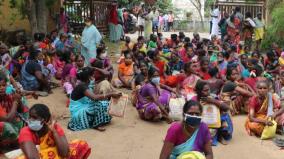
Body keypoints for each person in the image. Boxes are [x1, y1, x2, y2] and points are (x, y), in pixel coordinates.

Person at [18, 104, 91, 159]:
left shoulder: (54, 127)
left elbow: (65, 153)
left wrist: (54, 132)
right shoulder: (26, 131)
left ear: (44, 120)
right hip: (39, 156)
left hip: (53, 155)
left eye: (34, 117)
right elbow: (33, 157)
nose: (30, 120)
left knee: (81, 144)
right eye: (30, 116)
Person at [68, 67, 122, 131]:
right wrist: (111, 94)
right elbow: (94, 97)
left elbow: (107, 74)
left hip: (83, 108)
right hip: (78, 113)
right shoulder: (82, 86)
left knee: (105, 104)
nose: (94, 76)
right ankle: (96, 125)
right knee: (100, 104)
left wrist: (96, 68)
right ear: (89, 77)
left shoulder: (87, 83)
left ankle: (95, 121)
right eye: (93, 74)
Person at [195, 81, 232, 145]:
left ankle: (220, 136)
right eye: (205, 90)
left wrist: (212, 101)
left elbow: (226, 107)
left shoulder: (213, 97)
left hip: (214, 122)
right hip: (201, 123)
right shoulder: (194, 100)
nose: (208, 92)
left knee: (224, 114)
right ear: (199, 91)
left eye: (208, 89)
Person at [0, 73, 28, 149]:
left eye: (4, 85)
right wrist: (15, 101)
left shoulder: (8, 94)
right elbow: (7, 119)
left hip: (10, 124)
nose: (1, 88)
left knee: (22, 117)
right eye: (0, 86)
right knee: (5, 125)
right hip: (4, 125)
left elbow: (21, 110)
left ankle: (14, 141)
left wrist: (19, 99)